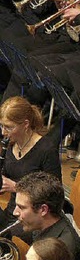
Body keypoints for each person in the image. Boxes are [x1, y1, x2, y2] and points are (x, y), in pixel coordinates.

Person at [0, 97, 61, 228]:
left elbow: (54, 194)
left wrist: (16, 188)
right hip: (13, 211)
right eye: (2, 126)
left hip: (33, 219)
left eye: (9, 127)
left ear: (25, 124)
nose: (3, 132)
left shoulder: (47, 149)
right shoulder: (10, 144)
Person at [12, 172, 80, 260]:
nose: (15, 212)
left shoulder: (58, 250)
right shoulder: (45, 225)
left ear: (43, 210)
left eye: (22, 207)